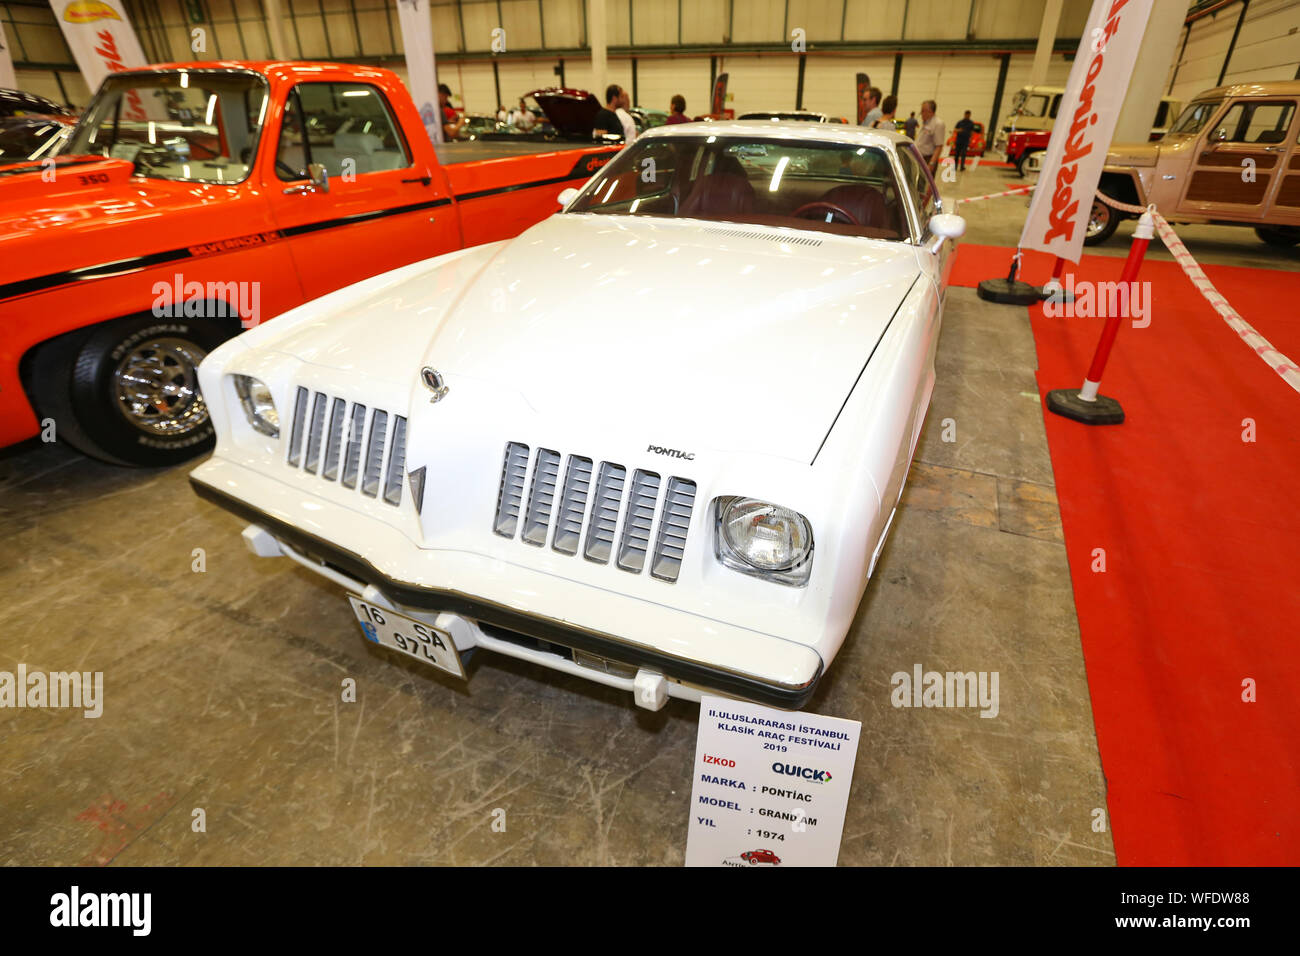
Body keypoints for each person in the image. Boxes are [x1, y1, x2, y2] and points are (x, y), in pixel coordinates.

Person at [915, 100, 945, 172]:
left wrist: (931, 164)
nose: (921, 113)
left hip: (928, 159)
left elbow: (939, 146)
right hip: (920, 158)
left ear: (930, 111)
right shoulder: (926, 122)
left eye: (922, 111)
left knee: (926, 183)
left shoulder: (938, 124)